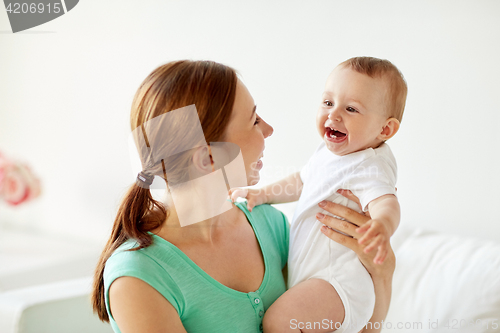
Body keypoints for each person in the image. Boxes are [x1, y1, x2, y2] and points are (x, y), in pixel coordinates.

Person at [91, 60, 396, 333]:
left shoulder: (269, 224)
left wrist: (381, 275)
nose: (269, 129)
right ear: (208, 159)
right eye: (253, 121)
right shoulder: (140, 278)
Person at [231, 57, 407, 332]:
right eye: (328, 103)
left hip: (339, 283)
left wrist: (382, 226)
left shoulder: (370, 164)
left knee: (279, 321)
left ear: (385, 129)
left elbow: (386, 201)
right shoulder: (328, 155)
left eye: (351, 109)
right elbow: (301, 181)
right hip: (317, 280)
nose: (334, 115)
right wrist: (263, 194)